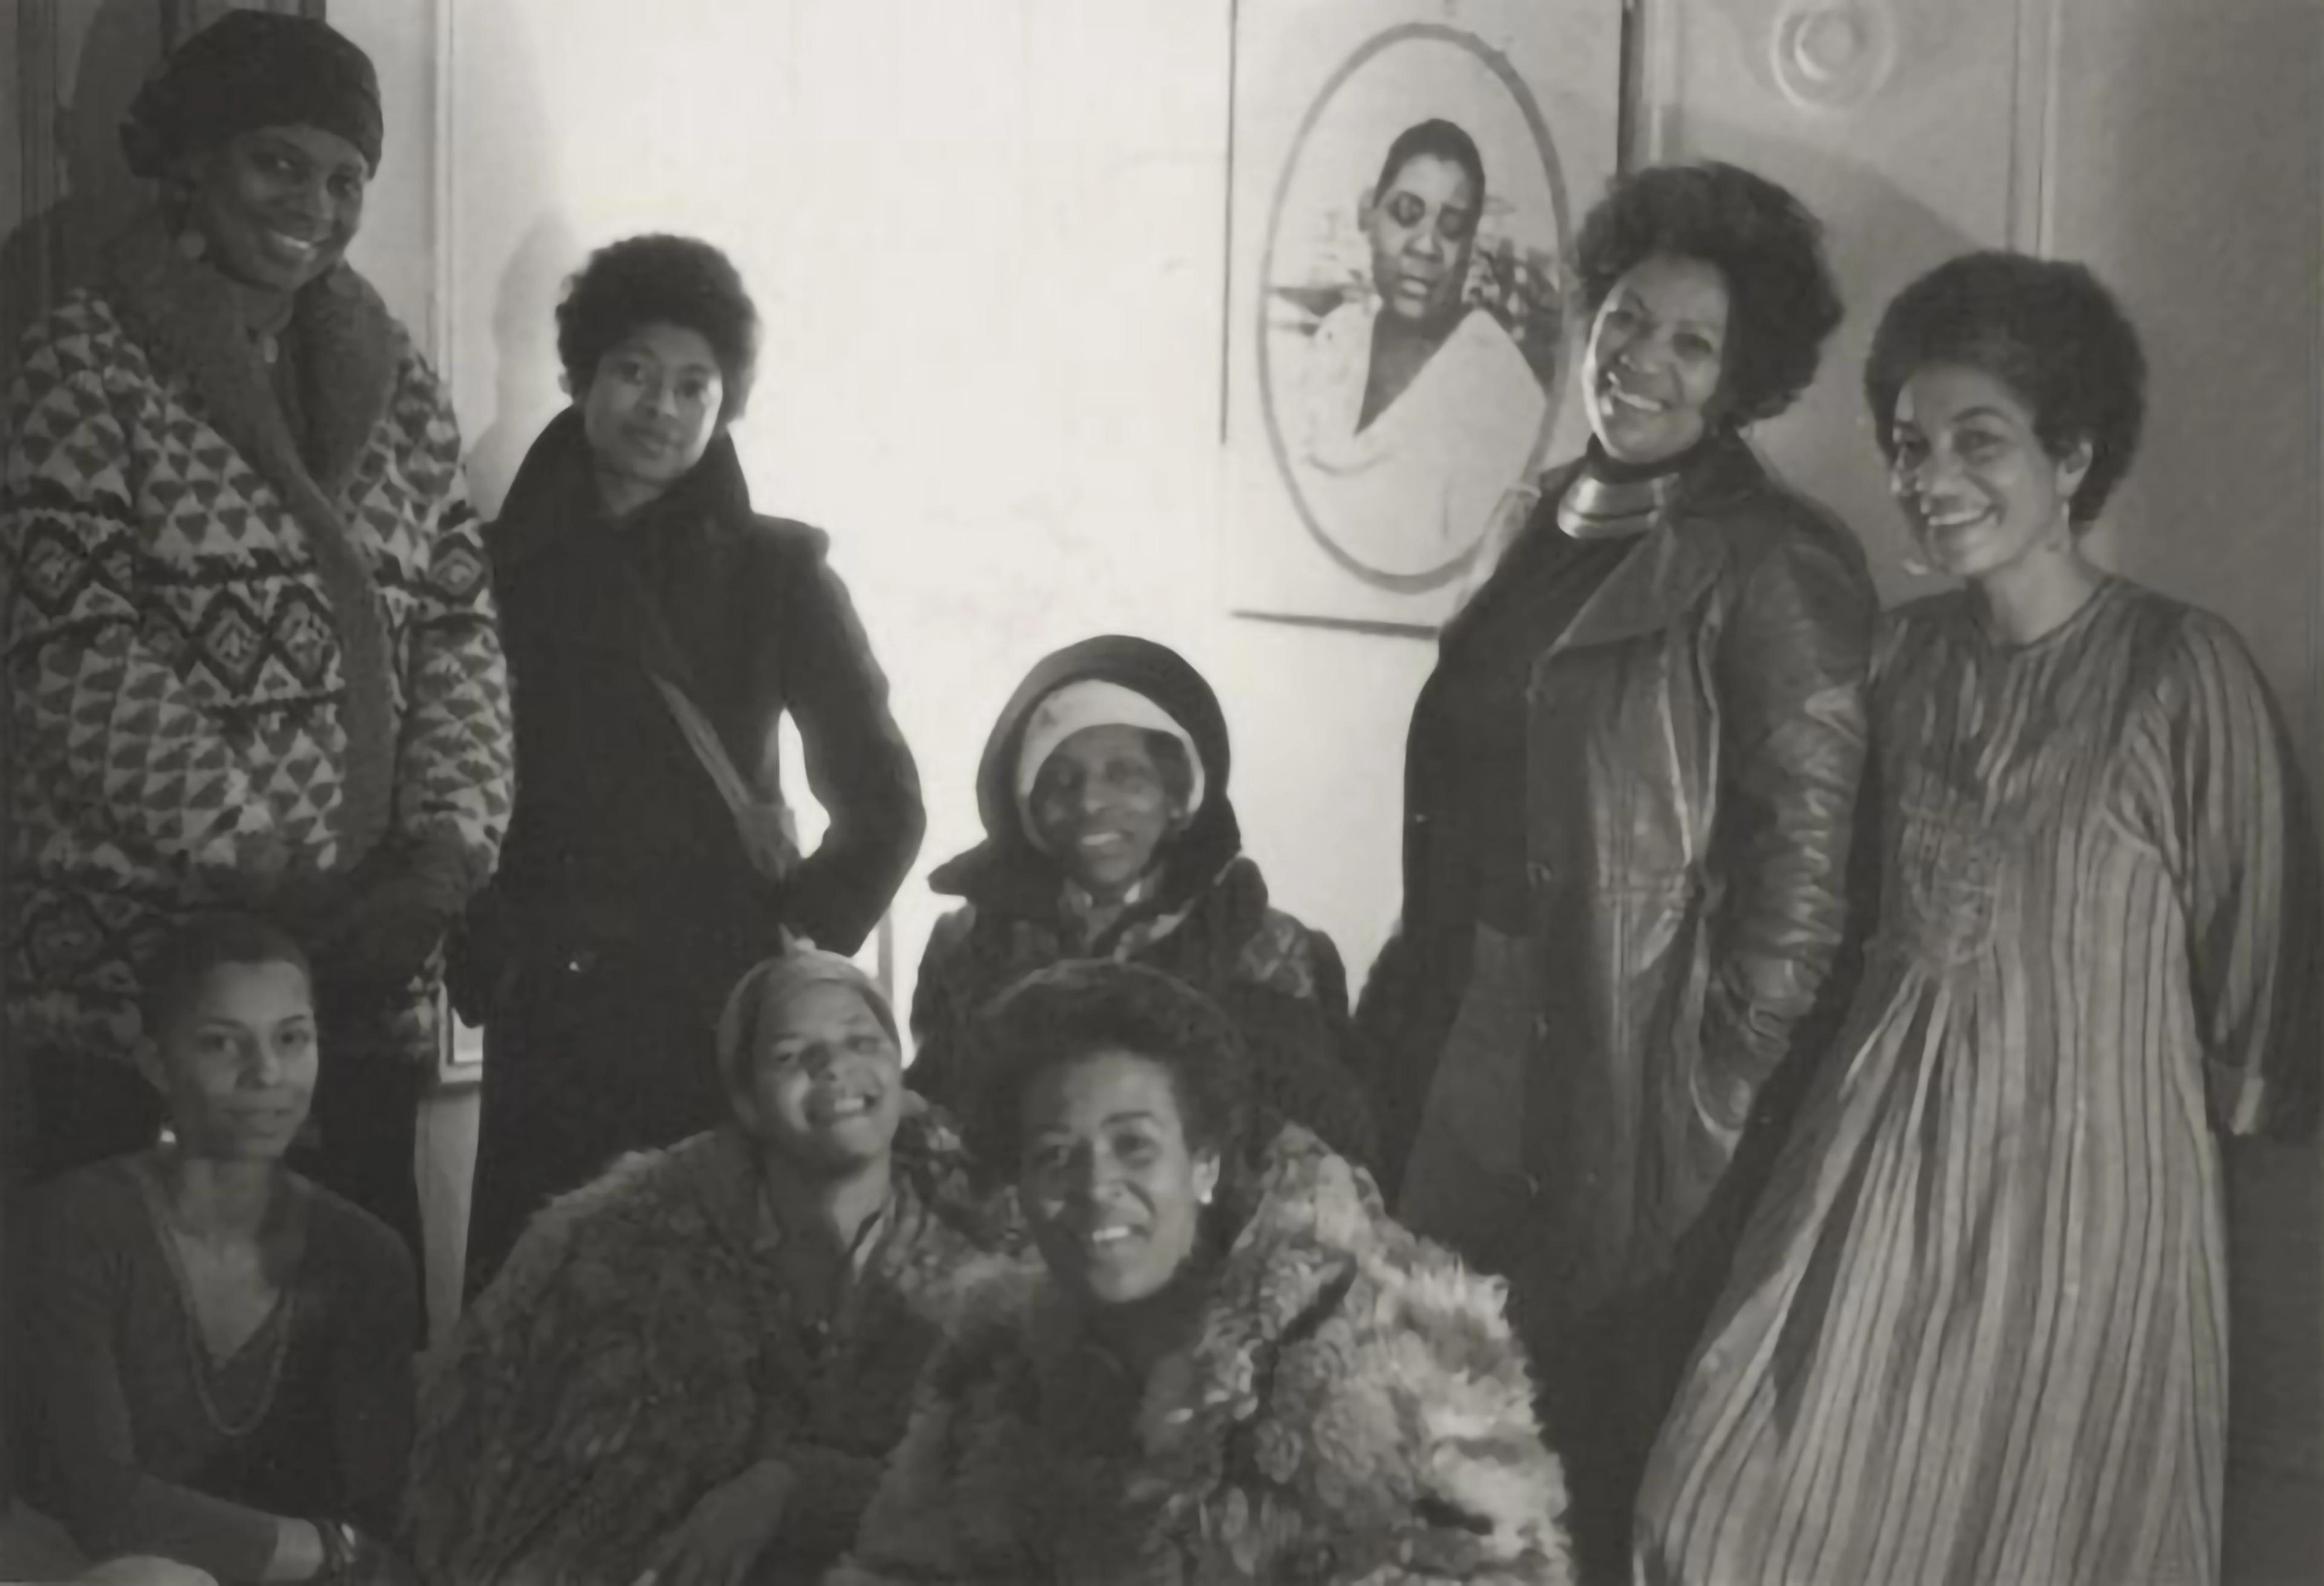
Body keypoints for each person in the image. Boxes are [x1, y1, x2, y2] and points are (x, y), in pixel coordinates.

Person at [1633, 252, 2319, 1586]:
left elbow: (2262, 995)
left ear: (2072, 453)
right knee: (1707, 1510)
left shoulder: (2182, 672)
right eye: (1908, 444)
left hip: (2089, 1212)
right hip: (1870, 1168)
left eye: (1979, 440)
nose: (1931, 477)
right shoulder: (1896, 656)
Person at [1357, 159, 1874, 1579]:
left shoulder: (1775, 565)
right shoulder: (1538, 513)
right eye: (1626, 320)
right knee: (1419, 1420)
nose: (1638, 360)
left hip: (1623, 1056)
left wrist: (1699, 1094)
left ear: (1741, 377)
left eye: (1688, 343)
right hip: (1457, 1018)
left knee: (1576, 1440)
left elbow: (1807, 897)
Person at [0, 11, 513, 1282]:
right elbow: (67, 645)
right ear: (195, 164)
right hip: (138, 972)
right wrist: (271, 864)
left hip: (358, 974)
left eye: (346, 179)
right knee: (136, 1323)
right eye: (277, 164)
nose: (316, 205)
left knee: (346, 1309)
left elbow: (459, 627)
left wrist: (443, 856)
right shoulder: (86, 360)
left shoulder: (397, 384)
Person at [451, 235, 925, 1294]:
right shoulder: (491, 569)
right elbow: (440, 771)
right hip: (550, 998)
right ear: (578, 377)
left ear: (727, 403)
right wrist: (483, 943)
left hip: (706, 1008)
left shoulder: (776, 576)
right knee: (535, 1307)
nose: (660, 407)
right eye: (633, 372)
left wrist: (797, 940)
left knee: (700, 1310)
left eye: (693, 385)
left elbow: (884, 800)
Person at [830, 960, 1572, 1585]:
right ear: (1019, 1186)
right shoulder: (993, 1370)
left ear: (1206, 1164)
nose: (1096, 1186)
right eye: (1055, 1155)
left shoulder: (1369, 1349)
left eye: (1135, 1146)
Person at [405, 946, 1019, 1586]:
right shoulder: (624, 1251)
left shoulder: (985, 1251)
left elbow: (1007, 1484)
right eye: (790, 1055)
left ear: (898, 1065)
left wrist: (792, 1487)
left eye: (862, 1041)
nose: (835, 1066)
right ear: (749, 1099)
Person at [17, 914, 416, 1584]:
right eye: (221, 1043)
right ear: (155, 1063)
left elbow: (380, 1504)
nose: (267, 1073)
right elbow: (101, 1500)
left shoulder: (366, 1255)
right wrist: (331, 1550)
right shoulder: (73, 1226)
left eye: (292, 1038)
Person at [907, 635, 1376, 1170]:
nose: (1090, 802)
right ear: (1028, 810)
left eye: (1125, 775)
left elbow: (1316, 1141)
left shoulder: (1267, 945)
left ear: (1177, 796)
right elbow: (944, 1123)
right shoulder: (969, 945)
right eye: (1060, 781)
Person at [1285, 119, 1549, 578]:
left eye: (1451, 228)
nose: (1426, 247)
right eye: (1406, 213)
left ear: (1471, 246)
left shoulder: (1500, 387)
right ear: (1369, 214)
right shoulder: (1337, 341)